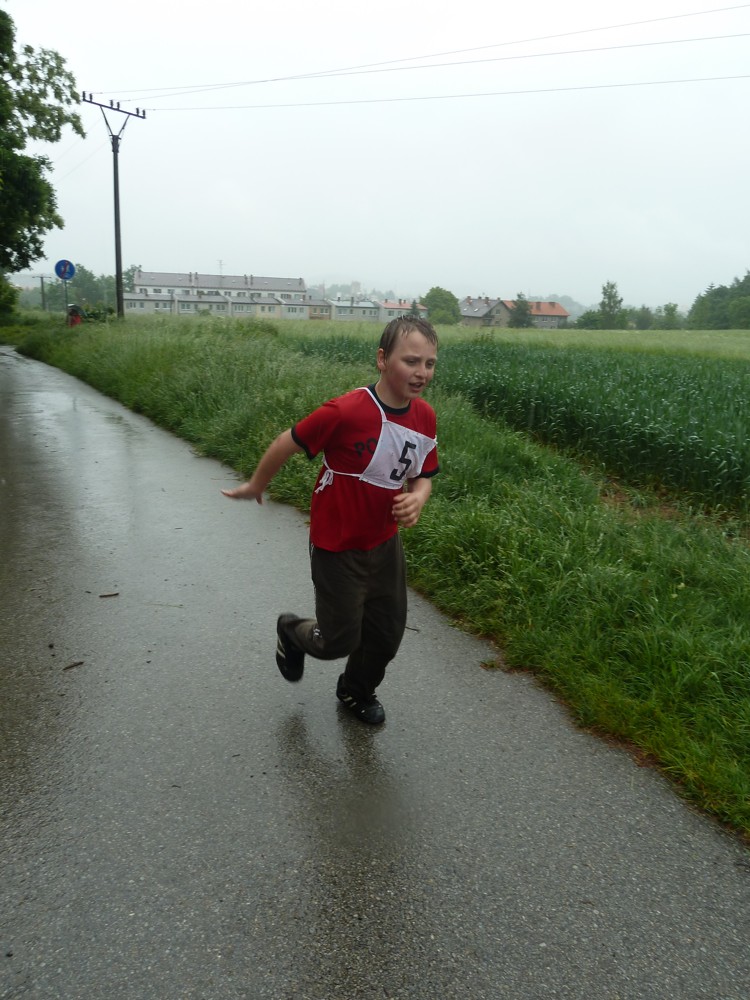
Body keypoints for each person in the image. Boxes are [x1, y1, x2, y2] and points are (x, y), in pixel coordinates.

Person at [222, 315, 439, 725]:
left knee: (386, 635)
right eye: (411, 361)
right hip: (337, 545)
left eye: (429, 363)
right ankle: (293, 631)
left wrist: (418, 498)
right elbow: (288, 441)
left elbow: (423, 474)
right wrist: (256, 485)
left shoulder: (424, 416)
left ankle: (356, 690)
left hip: (384, 543)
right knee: (338, 639)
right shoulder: (347, 410)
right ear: (382, 359)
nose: (421, 372)